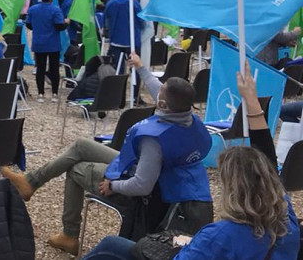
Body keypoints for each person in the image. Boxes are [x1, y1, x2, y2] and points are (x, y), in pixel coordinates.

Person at [84, 62, 299, 259]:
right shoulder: (284, 218)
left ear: (233, 189)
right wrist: (252, 103)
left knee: (110, 245)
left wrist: (185, 244)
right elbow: (268, 162)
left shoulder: (222, 234)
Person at [2, 53, 210, 255]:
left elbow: (142, 185)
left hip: (145, 188)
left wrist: (113, 185)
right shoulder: (189, 119)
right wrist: (141, 67)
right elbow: (163, 92)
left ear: (163, 104)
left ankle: (70, 235)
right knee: (81, 145)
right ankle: (30, 182)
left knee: (75, 170)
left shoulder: (153, 142)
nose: (157, 92)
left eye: (160, 94)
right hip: (149, 170)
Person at [25, 0, 66, 102]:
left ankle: (40, 94)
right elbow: (59, 26)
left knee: (40, 69)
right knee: (54, 69)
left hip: (38, 43)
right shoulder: (56, 9)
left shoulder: (33, 9)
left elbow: (28, 25)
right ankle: (54, 94)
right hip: (53, 44)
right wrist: (66, 23)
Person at [103, 0, 143, 66]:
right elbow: (141, 21)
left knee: (117, 69)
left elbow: (106, 21)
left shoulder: (110, 3)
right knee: (136, 69)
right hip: (133, 42)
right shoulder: (134, 3)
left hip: (115, 41)